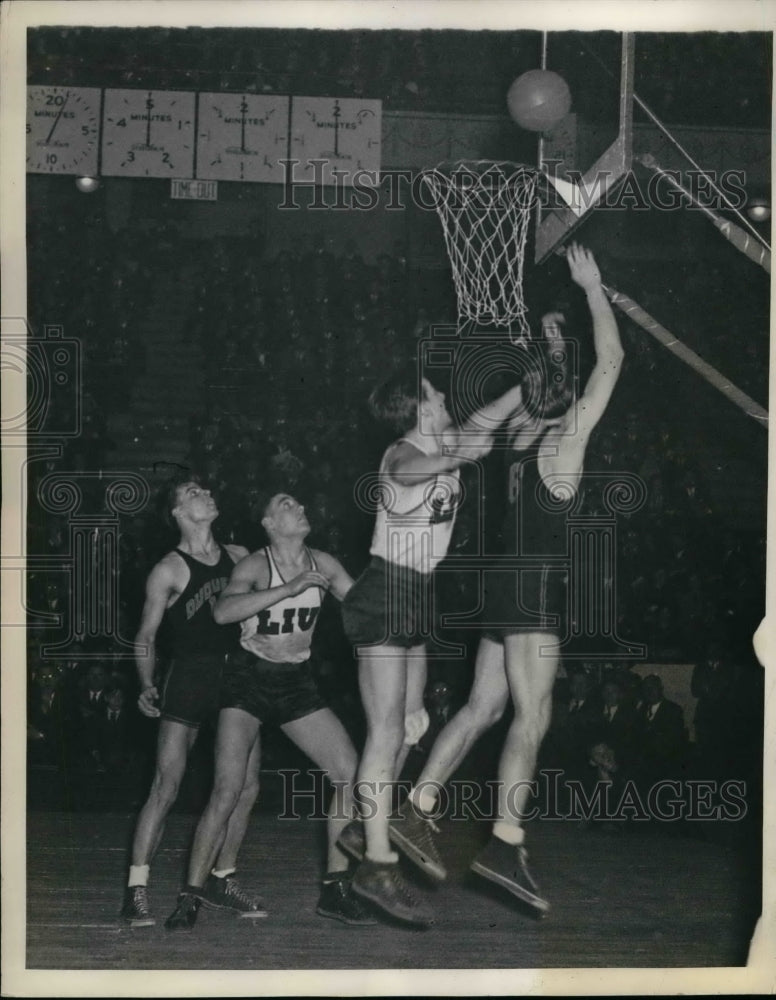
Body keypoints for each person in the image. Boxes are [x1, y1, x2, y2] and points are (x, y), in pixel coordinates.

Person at [384, 244, 624, 915]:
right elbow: (612, 360)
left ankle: (418, 805)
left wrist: (547, 341)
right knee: (532, 713)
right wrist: (592, 287)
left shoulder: (520, 428)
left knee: (482, 707)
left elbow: (541, 384)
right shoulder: (567, 433)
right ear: (569, 391)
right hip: (533, 581)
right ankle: (506, 843)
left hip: (496, 582)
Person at [339, 352, 526, 926]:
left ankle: (362, 826)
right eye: (435, 395)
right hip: (387, 589)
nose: (445, 399)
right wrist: (460, 453)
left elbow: (486, 420)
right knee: (386, 730)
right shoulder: (402, 452)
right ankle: (375, 861)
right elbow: (408, 472)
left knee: (412, 726)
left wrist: (528, 385)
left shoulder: (444, 441)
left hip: (419, 593)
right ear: (416, 407)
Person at [164, 492, 375, 929]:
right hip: (247, 682)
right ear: (269, 523)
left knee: (348, 772)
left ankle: (335, 889)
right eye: (286, 504)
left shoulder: (325, 563)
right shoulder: (256, 566)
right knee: (228, 788)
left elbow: (363, 610)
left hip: (295, 684)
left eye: (300, 502)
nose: (299, 506)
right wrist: (290, 588)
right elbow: (222, 612)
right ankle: (191, 896)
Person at [121, 478, 251, 927]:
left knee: (244, 787)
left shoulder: (238, 556)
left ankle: (222, 877)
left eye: (207, 490)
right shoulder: (169, 569)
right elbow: (146, 635)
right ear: (177, 512)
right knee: (166, 787)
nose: (207, 494)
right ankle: (136, 890)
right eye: (194, 493)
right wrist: (144, 682)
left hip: (237, 679)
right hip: (190, 679)